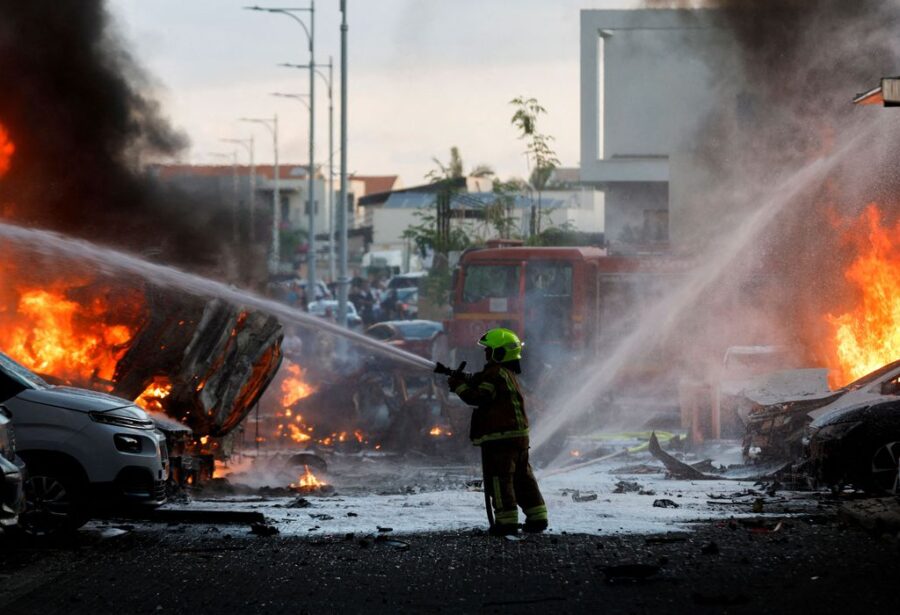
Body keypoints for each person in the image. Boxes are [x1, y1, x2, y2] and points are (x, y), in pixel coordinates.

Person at [445, 328, 548, 536]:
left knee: (500, 481)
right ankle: (538, 518)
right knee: (523, 479)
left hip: (500, 439)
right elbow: (483, 382)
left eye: (489, 350)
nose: (485, 354)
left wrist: (458, 387)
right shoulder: (506, 373)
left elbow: (479, 398)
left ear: (499, 353)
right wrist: (466, 377)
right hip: (518, 438)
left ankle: (506, 522)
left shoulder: (493, 374)